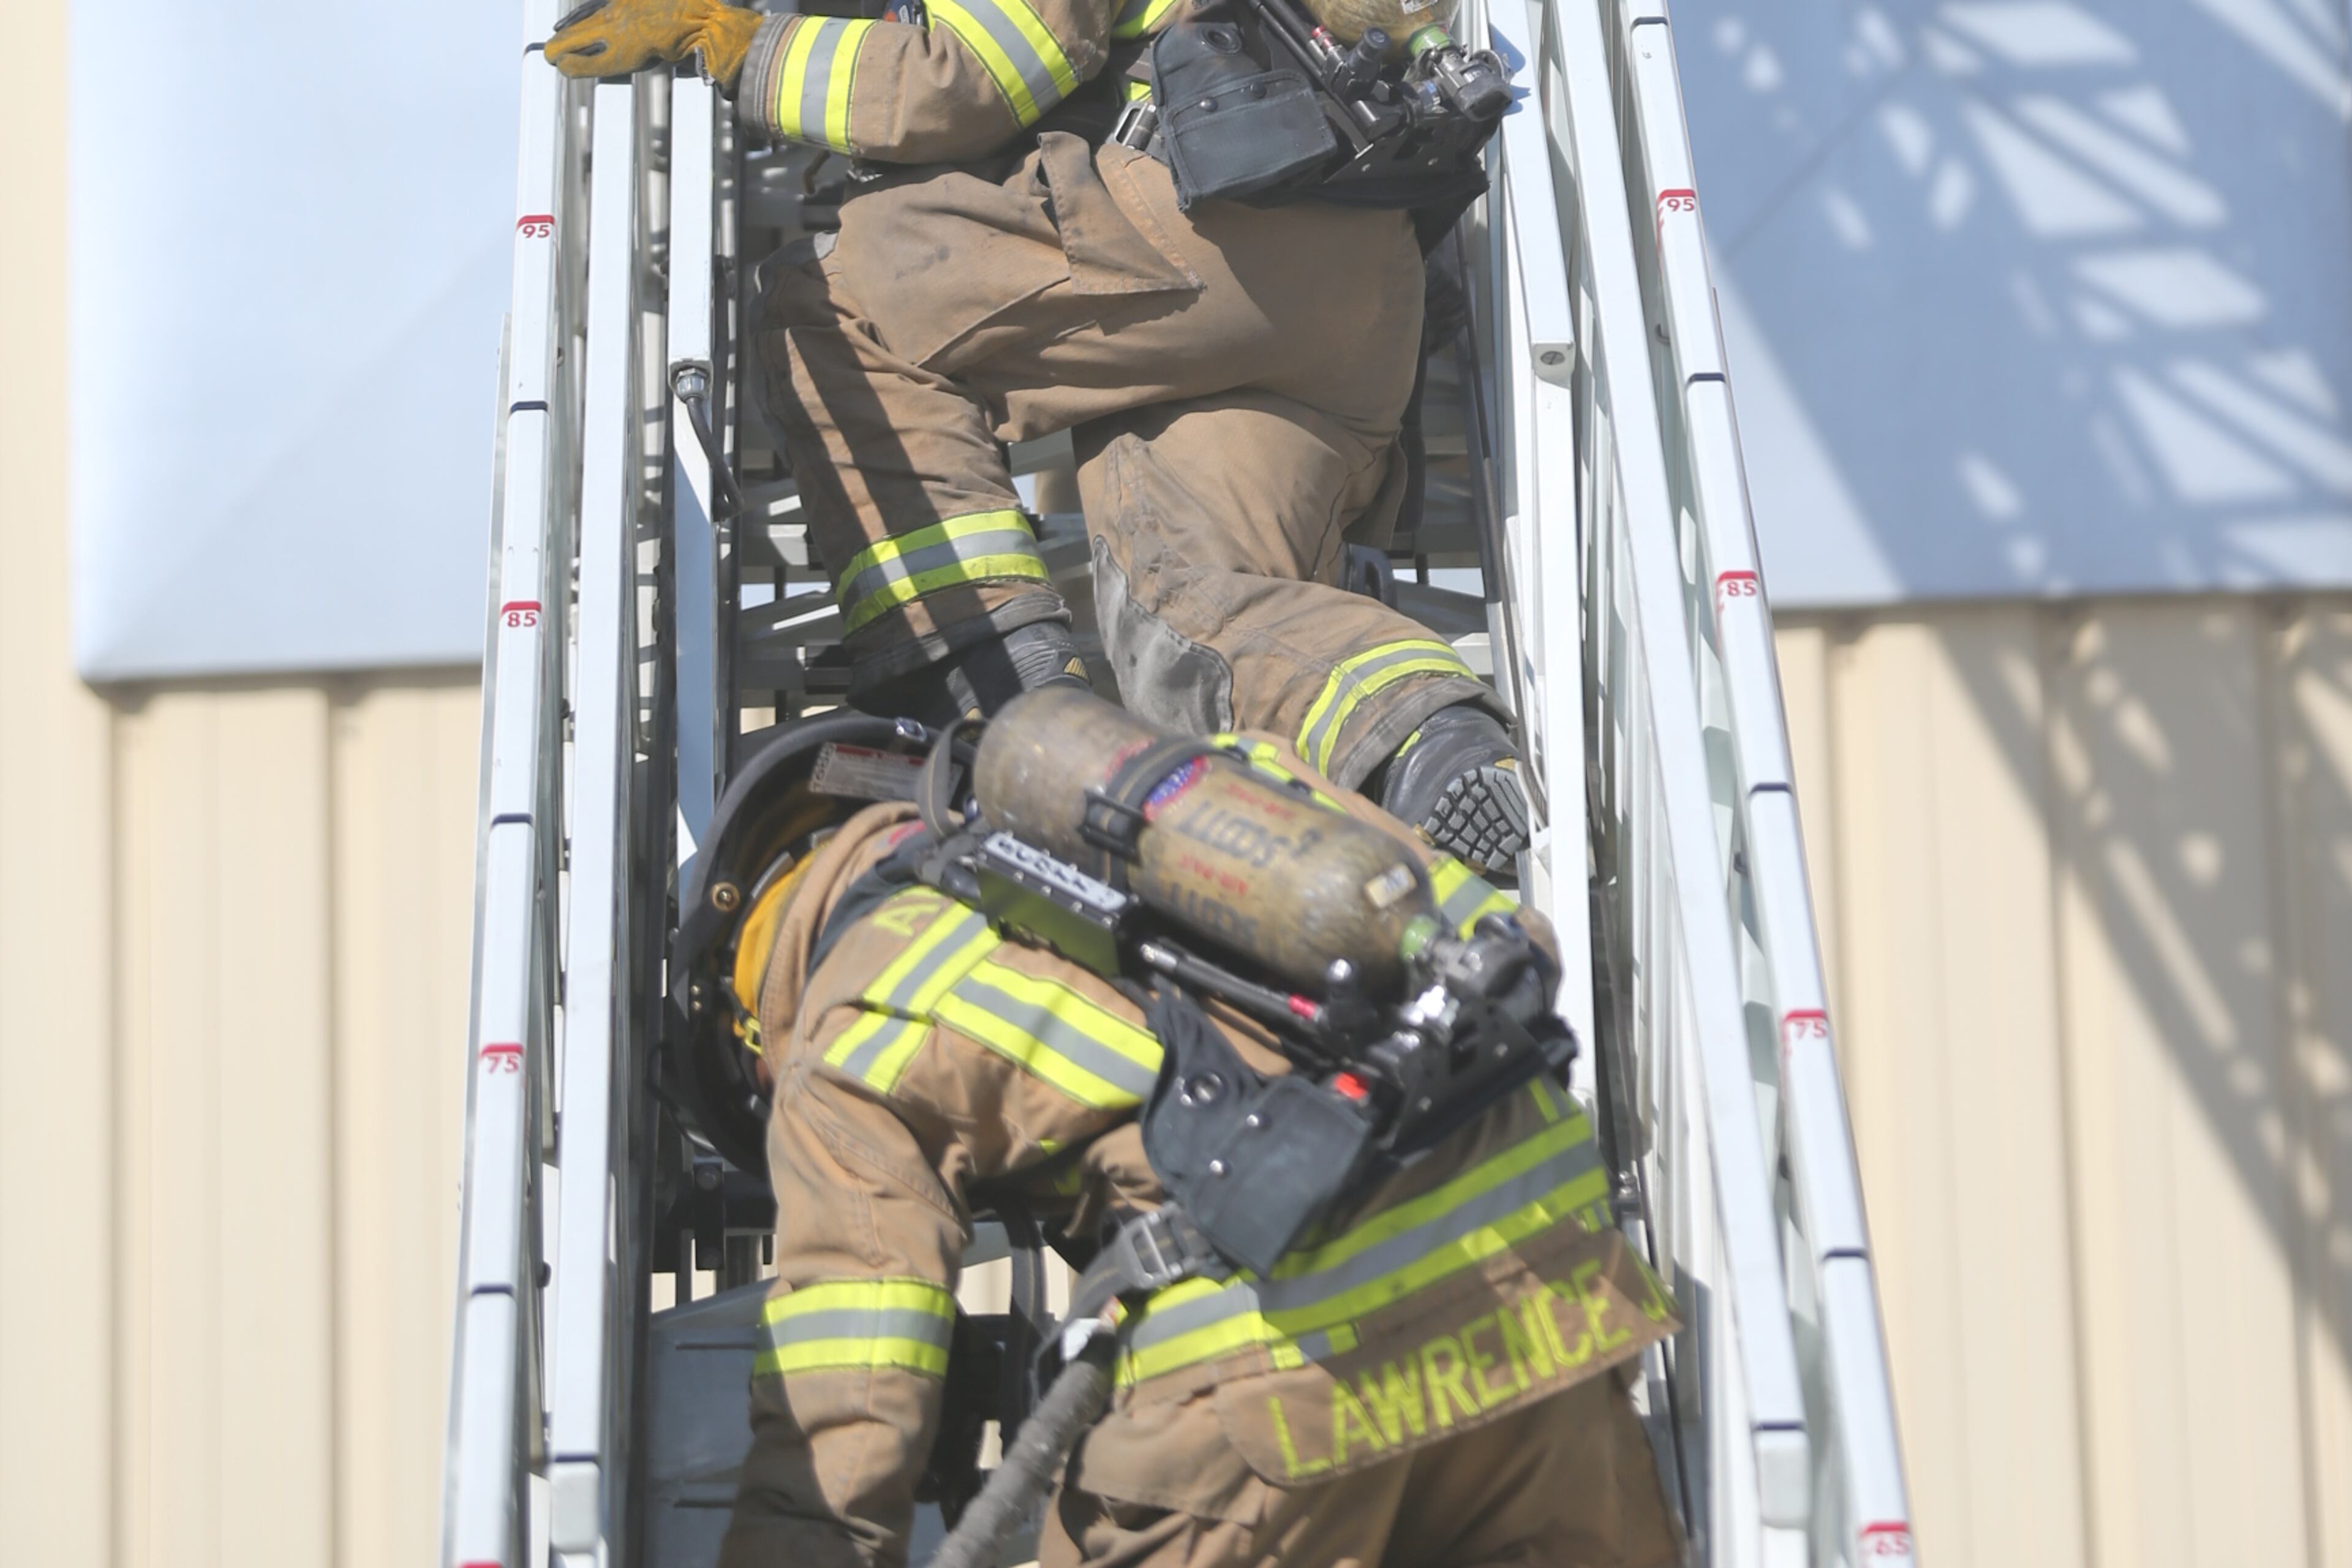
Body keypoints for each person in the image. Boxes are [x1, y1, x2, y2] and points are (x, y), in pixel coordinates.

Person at [673, 701, 1683, 1567]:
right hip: (1548, 1303)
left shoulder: (853, 1019)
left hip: (1272, 1400)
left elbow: (849, 1419)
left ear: (750, 1009)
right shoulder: (1227, 793)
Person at [545, 0, 1531, 873]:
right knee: (1187, 607)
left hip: (1214, 219)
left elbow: (963, 76)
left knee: (840, 301)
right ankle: (1419, 737)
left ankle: (984, 680)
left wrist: (739, 46)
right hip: (1356, 293)